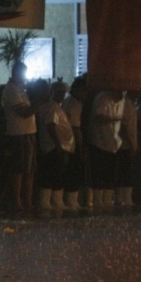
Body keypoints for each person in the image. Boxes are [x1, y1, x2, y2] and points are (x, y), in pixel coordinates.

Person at [1, 62, 39, 217]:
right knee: (19, 169)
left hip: (28, 132)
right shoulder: (11, 91)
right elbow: (24, 112)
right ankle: (17, 201)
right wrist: (39, 104)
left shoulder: (20, 89)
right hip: (19, 134)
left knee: (29, 169)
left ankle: (27, 201)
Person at [37, 81, 75, 214]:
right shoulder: (52, 108)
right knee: (52, 174)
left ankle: (55, 200)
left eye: (63, 93)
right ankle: (47, 201)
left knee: (57, 174)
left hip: (58, 146)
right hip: (53, 147)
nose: (62, 95)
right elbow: (51, 126)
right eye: (60, 93)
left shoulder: (57, 107)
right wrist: (58, 144)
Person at [88, 90, 124, 209]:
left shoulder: (120, 101)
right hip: (100, 143)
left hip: (113, 145)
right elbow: (99, 117)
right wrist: (115, 119)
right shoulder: (102, 99)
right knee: (100, 173)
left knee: (110, 174)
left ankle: (107, 201)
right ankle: (98, 201)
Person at [61, 76, 87, 211]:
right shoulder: (75, 104)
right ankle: (72, 201)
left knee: (71, 170)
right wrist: (81, 145)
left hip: (66, 141)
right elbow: (75, 127)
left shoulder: (67, 101)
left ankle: (71, 200)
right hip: (73, 142)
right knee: (75, 170)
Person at [115, 91, 139, 208]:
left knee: (126, 170)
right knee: (126, 171)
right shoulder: (127, 104)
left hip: (127, 142)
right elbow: (124, 126)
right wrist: (131, 143)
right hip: (125, 144)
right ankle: (124, 198)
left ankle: (123, 197)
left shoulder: (130, 104)